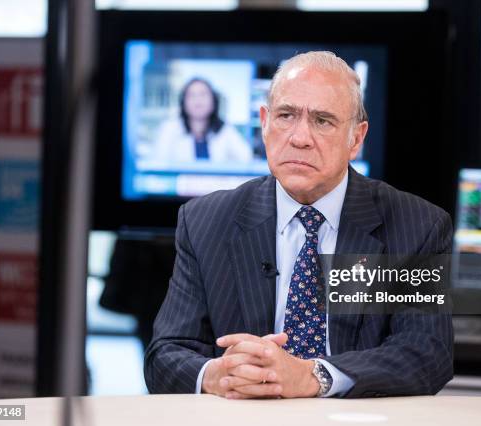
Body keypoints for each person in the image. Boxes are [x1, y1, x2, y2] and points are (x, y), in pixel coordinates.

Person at [144, 51, 453, 399]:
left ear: (356, 138)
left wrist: (312, 376)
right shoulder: (205, 222)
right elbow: (164, 355)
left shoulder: (415, 226)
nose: (299, 137)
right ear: (264, 123)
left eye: (322, 120)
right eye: (286, 116)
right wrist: (217, 375)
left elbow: (426, 353)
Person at [153, 78, 253, 163]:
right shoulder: (170, 129)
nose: (198, 100)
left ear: (214, 101)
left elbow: (247, 159)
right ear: (183, 102)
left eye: (203, 94)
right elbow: (157, 163)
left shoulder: (225, 130)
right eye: (192, 95)